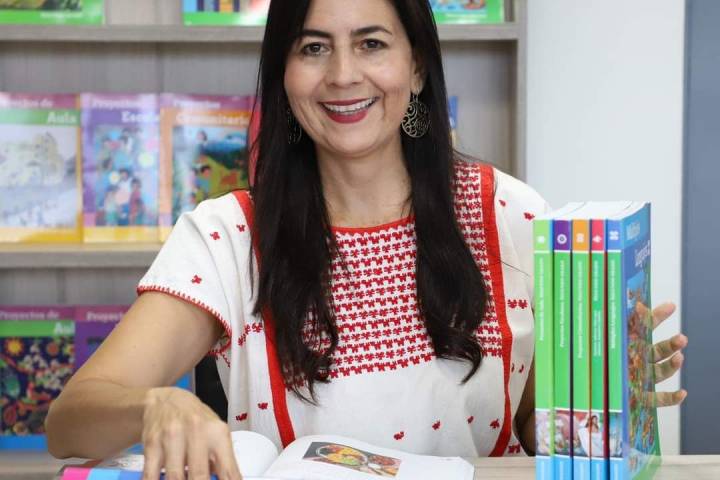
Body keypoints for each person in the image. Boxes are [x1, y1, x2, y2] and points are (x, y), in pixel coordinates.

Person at [45, 1, 688, 479]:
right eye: (313, 48)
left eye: (372, 43)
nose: (343, 75)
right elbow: (71, 420)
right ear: (283, 74)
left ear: (416, 67)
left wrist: (598, 395)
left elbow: (530, 425)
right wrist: (155, 407)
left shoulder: (511, 214)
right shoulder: (226, 237)